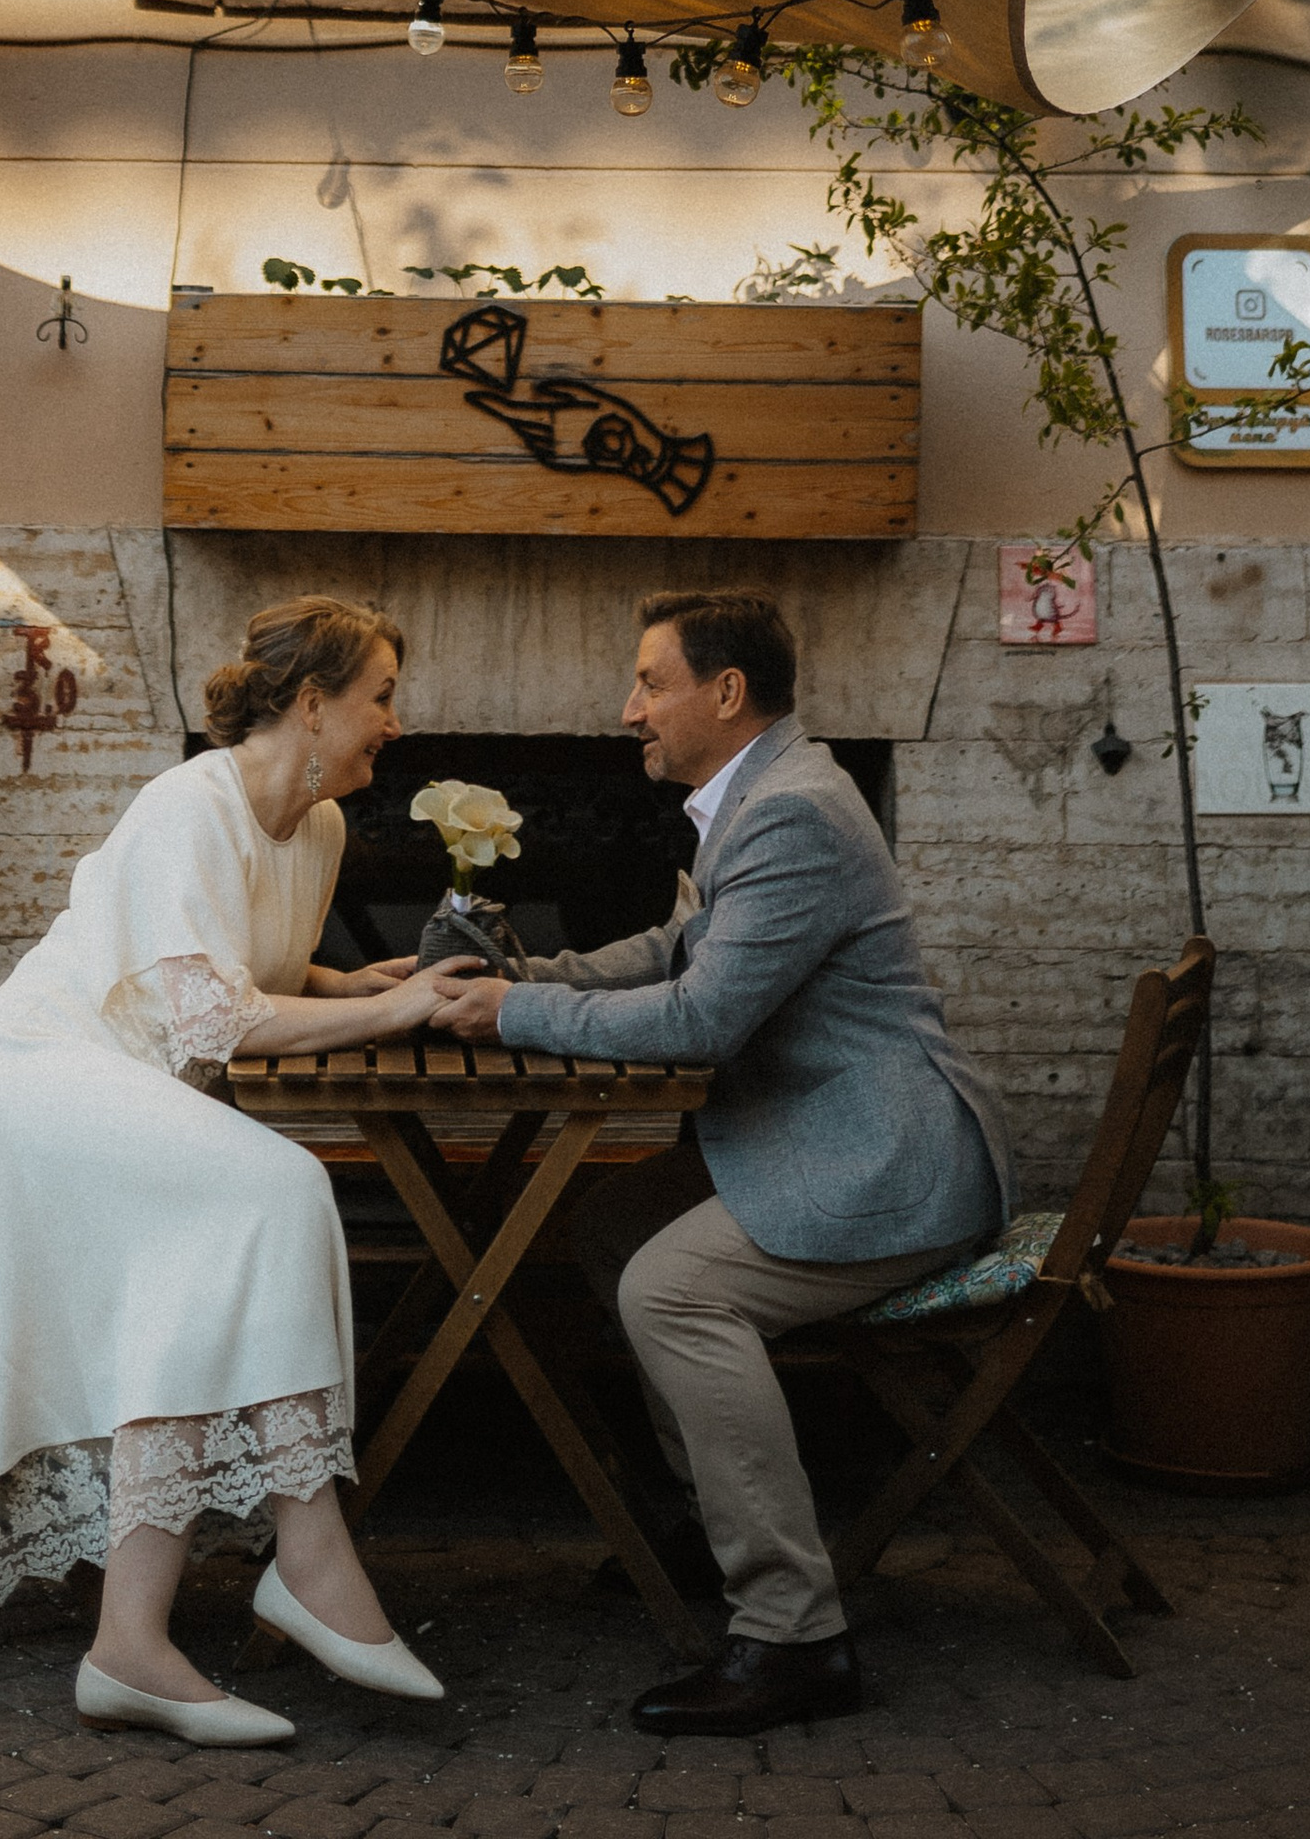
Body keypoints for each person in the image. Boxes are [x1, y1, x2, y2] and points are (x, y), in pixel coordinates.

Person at [0, 595, 447, 1745]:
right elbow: (211, 1015)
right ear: (312, 705)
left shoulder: (313, 827)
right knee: (277, 1190)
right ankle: (311, 1555)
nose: (393, 724)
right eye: (380, 698)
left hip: (120, 1102)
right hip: (34, 1087)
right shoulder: (188, 803)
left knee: (225, 1231)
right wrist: (413, 1008)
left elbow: (253, 962)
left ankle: (133, 1643)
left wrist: (359, 985)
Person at [426, 589, 1013, 1737]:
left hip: (888, 1166)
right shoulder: (758, 797)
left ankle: (794, 1632)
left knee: (671, 1285)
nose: (628, 708)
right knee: (607, 1226)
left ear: (725, 692)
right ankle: (713, 1521)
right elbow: (677, 949)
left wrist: (511, 1016)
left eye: (650, 682)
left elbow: (699, 1019)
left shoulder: (794, 812)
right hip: (820, 1142)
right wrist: (535, 975)